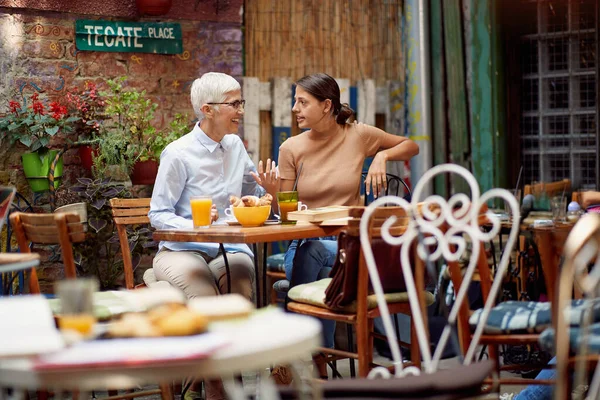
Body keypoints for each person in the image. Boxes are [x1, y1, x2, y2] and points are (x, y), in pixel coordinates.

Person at [148, 72, 278, 400]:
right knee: (207, 302)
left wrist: (270, 192)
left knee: (239, 289)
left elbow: (253, 195)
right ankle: (216, 389)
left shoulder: (235, 146)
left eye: (241, 102)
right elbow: (158, 214)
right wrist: (197, 225)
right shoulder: (177, 154)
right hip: (180, 252)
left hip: (228, 249)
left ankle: (212, 385)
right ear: (207, 110)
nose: (241, 110)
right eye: (234, 103)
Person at [278, 72, 419, 352]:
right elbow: (284, 216)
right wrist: (273, 192)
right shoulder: (290, 148)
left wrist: (382, 156)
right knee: (311, 252)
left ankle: (298, 356)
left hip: (351, 246)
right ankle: (317, 360)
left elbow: (411, 146)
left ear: (327, 106)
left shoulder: (358, 135)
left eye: (303, 102)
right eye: (296, 101)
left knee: (314, 257)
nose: (295, 109)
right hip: (304, 242)